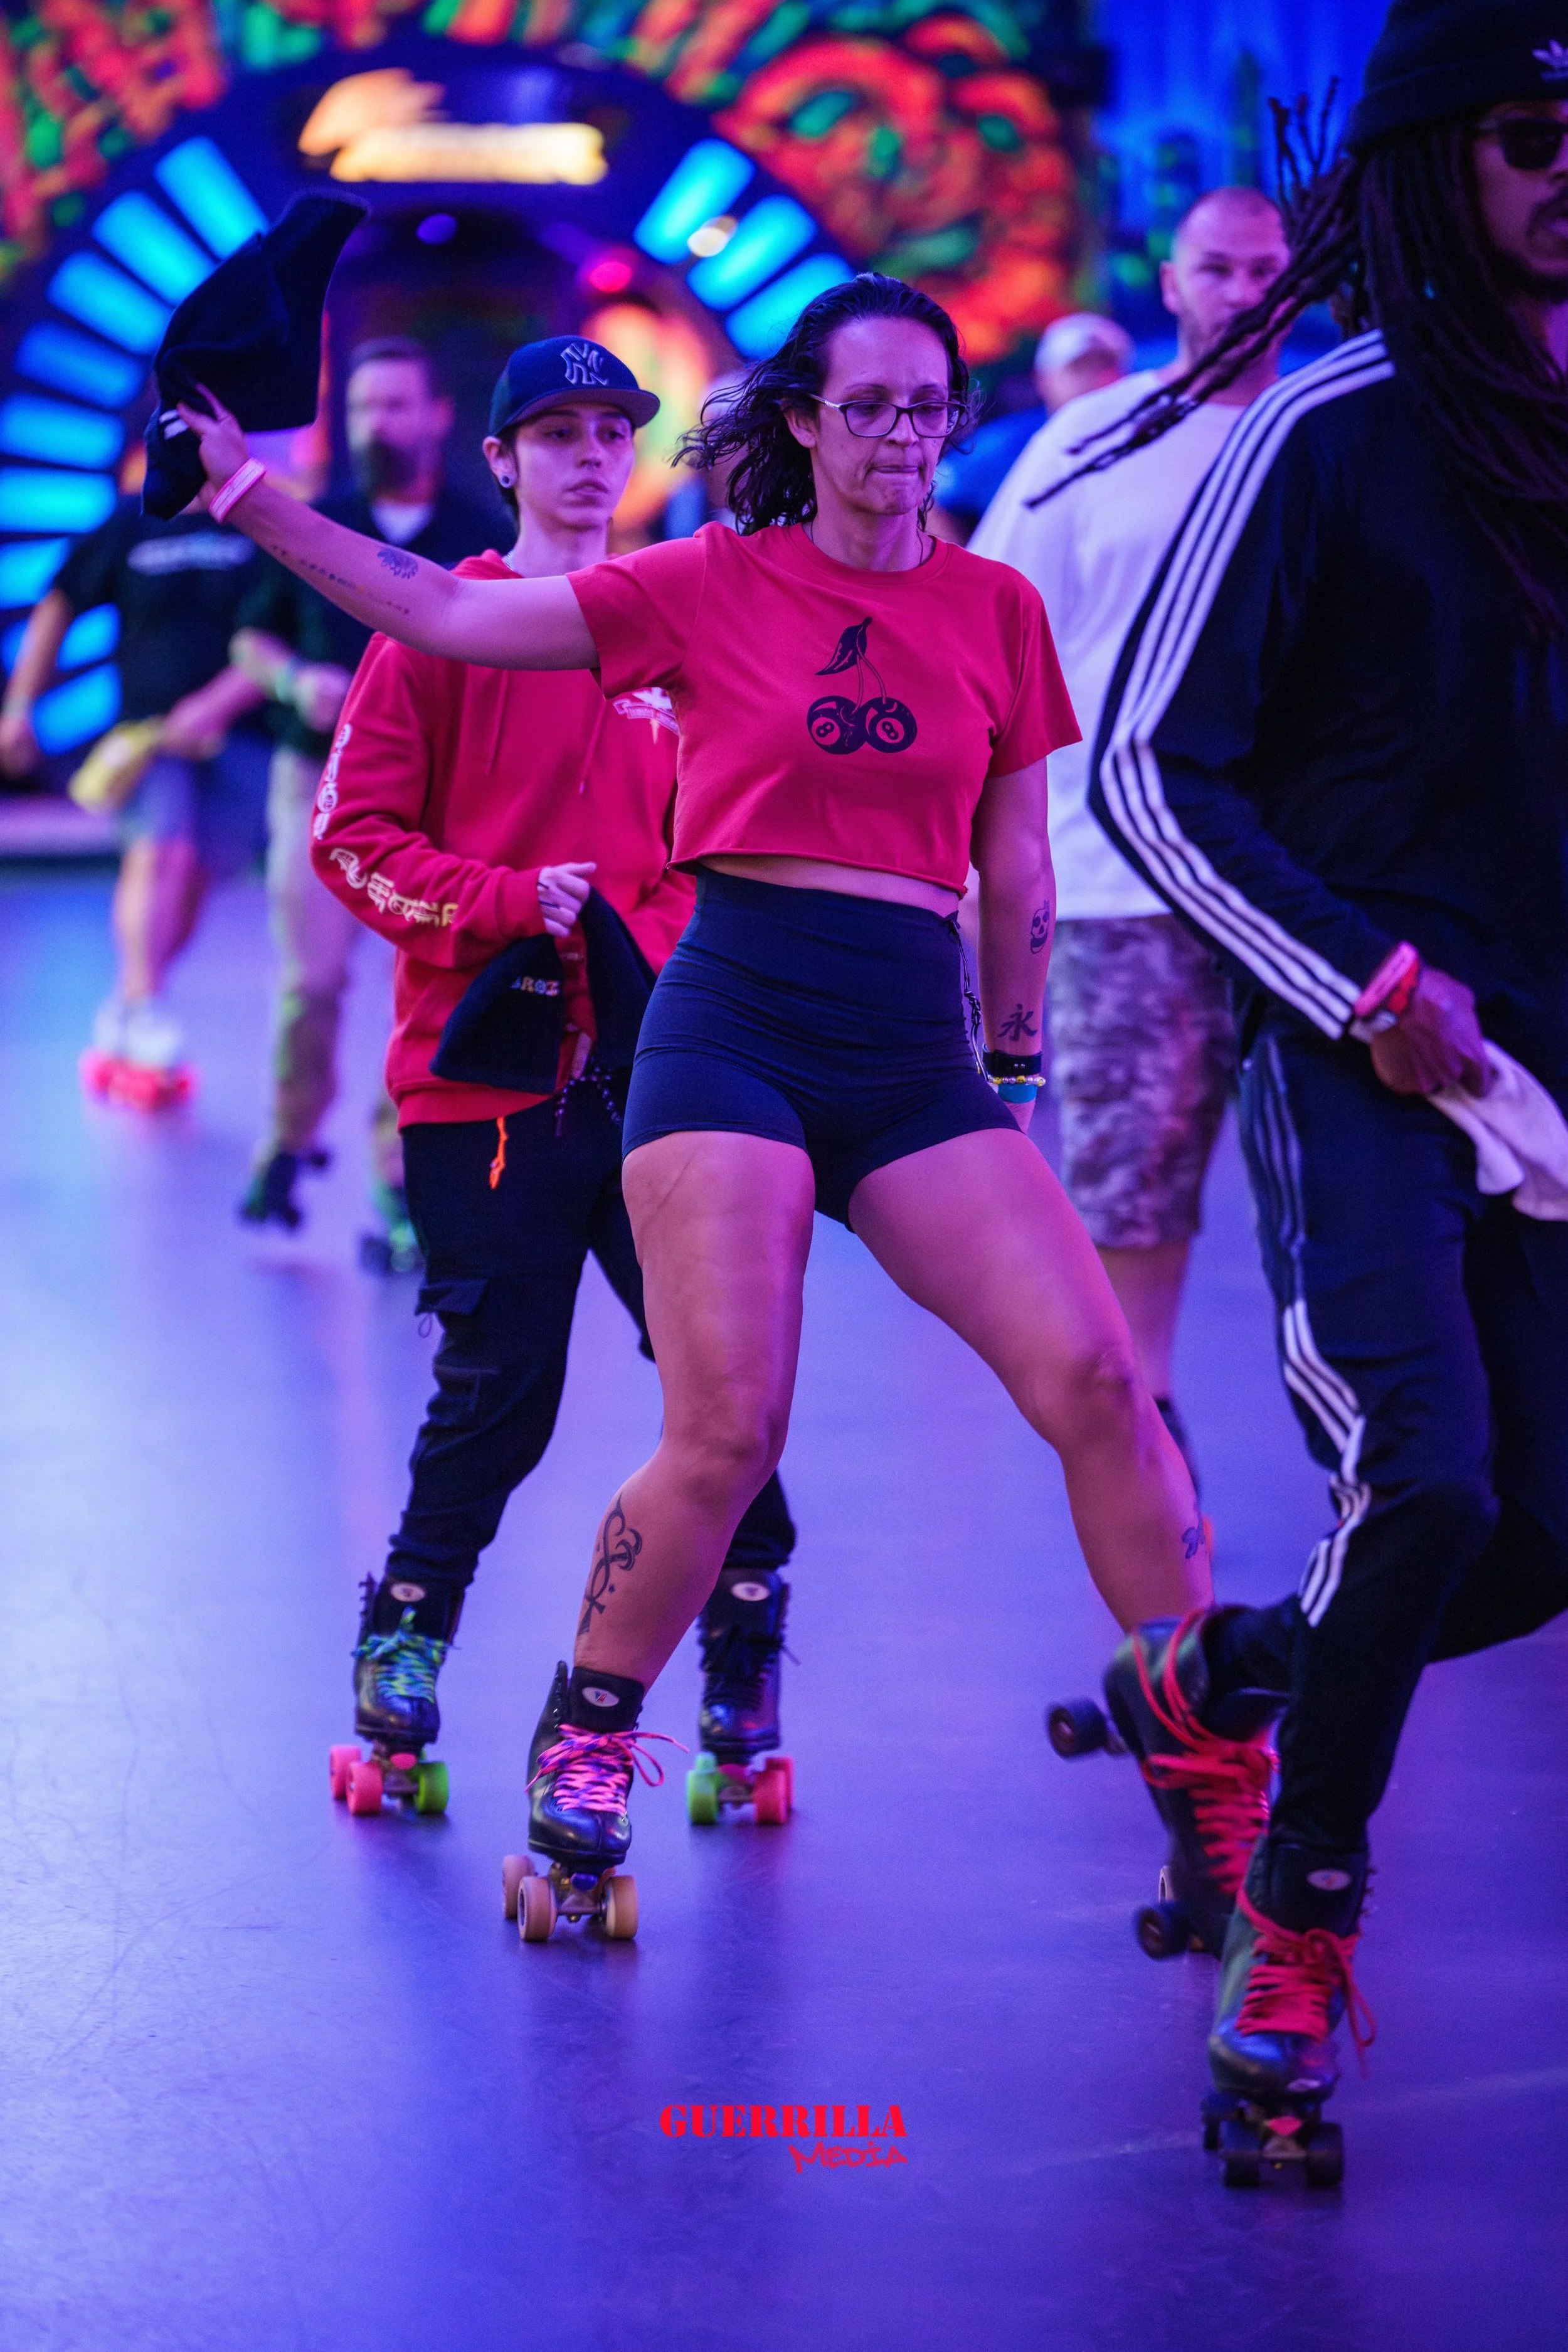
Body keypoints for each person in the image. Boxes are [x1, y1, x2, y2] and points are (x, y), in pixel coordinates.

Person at [173, 270, 1213, 1934]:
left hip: (910, 1044)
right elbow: (436, 614)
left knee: (1098, 1376)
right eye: (860, 404)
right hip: (725, 1019)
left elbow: (1015, 859)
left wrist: (1014, 1063)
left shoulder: (995, 607)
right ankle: (585, 1738)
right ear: (802, 422)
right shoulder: (703, 582)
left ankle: (1210, 1777)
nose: (896, 436)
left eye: (923, 404)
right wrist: (248, 492)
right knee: (724, 1424)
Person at [1066, 0, 1568, 2158]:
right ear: (1436, 159)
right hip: (1364, 1056)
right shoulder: (1328, 431)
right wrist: (1362, 984)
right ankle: (1296, 1918)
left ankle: (1214, 1682)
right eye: (1534, 132)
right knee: (1430, 1475)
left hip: (1548, 1083)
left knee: (1534, 1546)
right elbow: (1147, 766)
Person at [310, 335, 796, 1811]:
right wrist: (509, 898)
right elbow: (350, 837)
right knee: (500, 1384)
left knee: (727, 1393)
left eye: (613, 427)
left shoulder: (692, 621)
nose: (591, 453)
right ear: (503, 458)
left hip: (680, 1076)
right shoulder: (437, 629)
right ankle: (406, 1635)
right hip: (488, 1081)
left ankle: (742, 1659)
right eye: (558, 429)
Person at [970, 189, 1291, 1487]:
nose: (1240, 292)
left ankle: (1367, 1496)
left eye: (1265, 271)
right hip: (1114, 885)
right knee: (1129, 1205)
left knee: (1332, 1206)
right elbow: (992, 638)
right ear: (1170, 280)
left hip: (1295, 892)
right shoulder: (1087, 440)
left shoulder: (1320, 436)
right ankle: (1152, 1473)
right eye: (1214, 268)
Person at [230, 337, 498, 1262]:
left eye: (392, 404)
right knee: (311, 983)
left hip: (438, 792)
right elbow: (250, 641)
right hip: (317, 781)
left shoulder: (478, 528)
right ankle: (292, 1134)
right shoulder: (321, 520)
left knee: (416, 989)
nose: (374, 422)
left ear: (436, 416)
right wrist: (295, 675)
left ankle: (399, 1180)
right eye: (359, 407)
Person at [0, 497, 268, 1094]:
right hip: (146, 739)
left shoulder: (260, 520)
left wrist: (214, 707)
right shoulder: (131, 523)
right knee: (160, 852)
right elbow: (59, 603)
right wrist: (20, 707)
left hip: (242, 736)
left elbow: (280, 631)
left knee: (196, 878)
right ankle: (145, 1006)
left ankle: (126, 1006)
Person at [931, 313, 1134, 539]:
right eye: (1079, 368)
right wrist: (966, 563)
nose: (1095, 379)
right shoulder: (1007, 444)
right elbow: (930, 497)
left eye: (1106, 366)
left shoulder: (1143, 437)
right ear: (1043, 379)